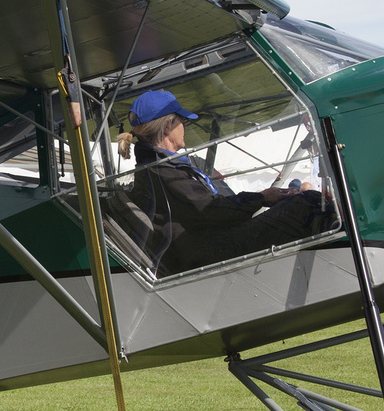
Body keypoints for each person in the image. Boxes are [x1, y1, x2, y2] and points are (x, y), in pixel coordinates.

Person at [121, 90, 333, 275]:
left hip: (209, 242)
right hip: (212, 249)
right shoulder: (162, 170)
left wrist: (266, 198)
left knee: (297, 201)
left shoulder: (158, 167)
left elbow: (208, 208)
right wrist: (262, 197)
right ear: (168, 126)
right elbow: (211, 211)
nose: (184, 126)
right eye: (181, 120)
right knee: (309, 202)